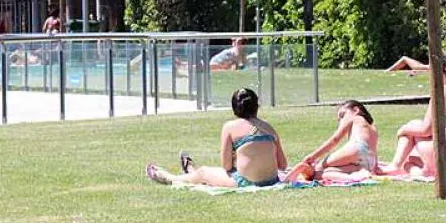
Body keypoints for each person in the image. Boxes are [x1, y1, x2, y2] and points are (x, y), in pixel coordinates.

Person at [146, 88, 288, 187]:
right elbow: (282, 165)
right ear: (257, 106)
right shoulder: (269, 128)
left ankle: (171, 178)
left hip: (246, 182)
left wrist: (236, 159)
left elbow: (226, 166)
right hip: (272, 180)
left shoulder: (230, 127)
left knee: (204, 173)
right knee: (204, 174)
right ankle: (191, 171)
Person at [379, 53, 446, 178]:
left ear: (442, 71)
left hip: (445, 160)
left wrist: (403, 130)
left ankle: (395, 166)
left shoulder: (442, 92)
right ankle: (420, 168)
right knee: (411, 161)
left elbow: (426, 130)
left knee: (412, 126)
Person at [286, 100, 379, 182]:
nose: (341, 121)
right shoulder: (373, 127)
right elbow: (374, 149)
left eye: (342, 115)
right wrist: (375, 167)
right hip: (369, 161)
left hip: (357, 148)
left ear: (356, 110)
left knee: (317, 170)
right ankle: (357, 175)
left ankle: (352, 178)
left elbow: (335, 140)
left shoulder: (353, 117)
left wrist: (312, 157)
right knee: (326, 172)